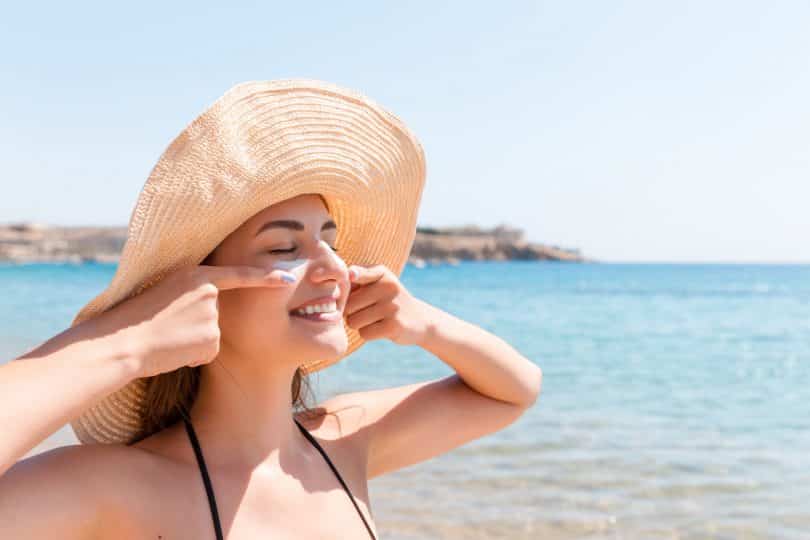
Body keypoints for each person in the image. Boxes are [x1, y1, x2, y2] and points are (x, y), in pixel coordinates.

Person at [0, 79, 542, 539]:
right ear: (196, 294)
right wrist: (127, 342)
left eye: (330, 242)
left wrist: (424, 324)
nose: (333, 267)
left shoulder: (344, 440)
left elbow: (514, 390)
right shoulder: (118, 486)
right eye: (284, 248)